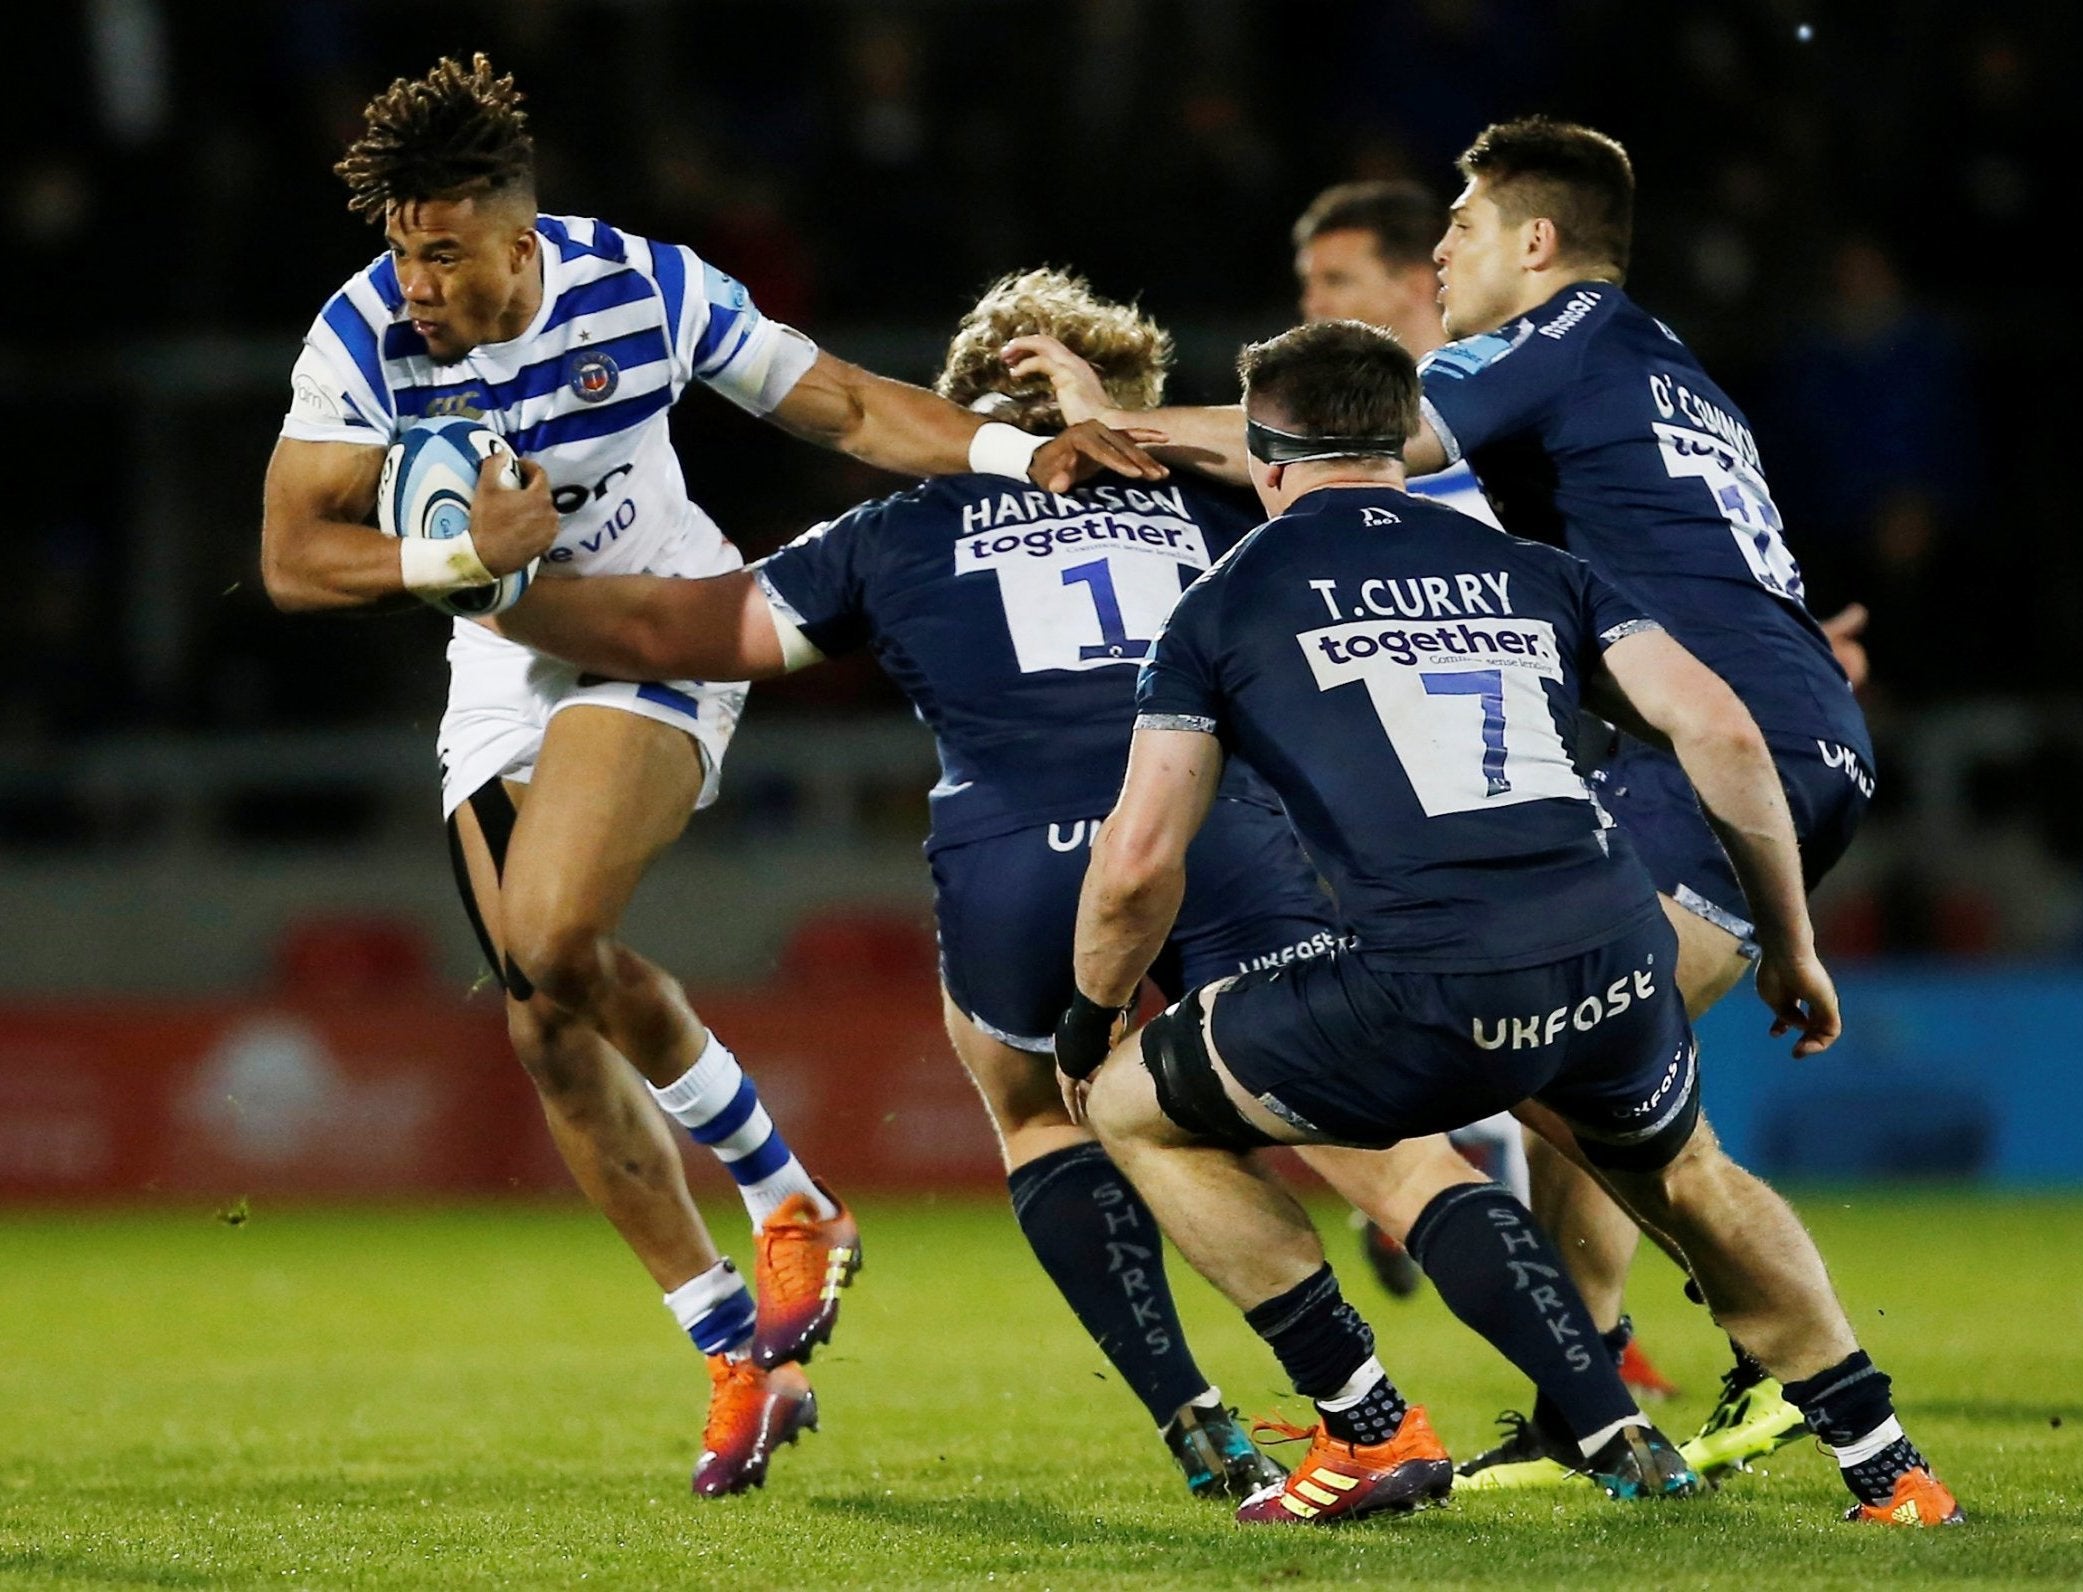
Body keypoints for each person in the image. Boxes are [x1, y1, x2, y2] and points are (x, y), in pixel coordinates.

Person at [488, 268, 1689, 1506]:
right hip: (1219, 840)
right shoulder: (1217, 505)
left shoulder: (894, 528)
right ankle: (1609, 1430)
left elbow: (676, 634)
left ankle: (1215, 1415)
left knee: (1046, 1121)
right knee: (1377, 1147)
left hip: (1015, 862)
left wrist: (490, 586)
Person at [259, 54, 1158, 1499]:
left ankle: (790, 1198)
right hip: (500, 647)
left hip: (666, 620)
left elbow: (847, 409)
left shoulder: (644, 289)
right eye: (400, 251)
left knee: (548, 938)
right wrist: (457, 561)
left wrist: (1015, 450)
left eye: (441, 254)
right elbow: (293, 556)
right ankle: (736, 1346)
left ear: (517, 237)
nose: (414, 283)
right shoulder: (361, 333)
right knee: (545, 1025)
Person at [1003, 119, 1878, 1487]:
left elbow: (1352, 437)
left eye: (1459, 231)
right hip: (1761, 734)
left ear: (1534, 244)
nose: (1443, 254)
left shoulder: (1564, 332)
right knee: (1574, 1067)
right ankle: (1596, 1401)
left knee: (1571, 1052)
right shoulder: (1657, 362)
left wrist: (1105, 425)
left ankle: (1797, 1374)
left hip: (1718, 750)